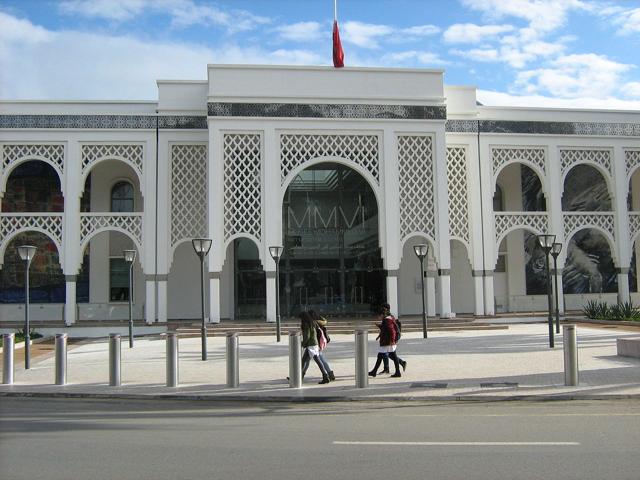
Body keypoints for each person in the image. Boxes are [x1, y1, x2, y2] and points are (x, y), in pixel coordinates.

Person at [369, 304, 407, 378]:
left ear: (383, 314)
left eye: (379, 316)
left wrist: (392, 341)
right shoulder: (388, 319)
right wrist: (379, 331)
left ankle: (375, 371)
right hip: (388, 341)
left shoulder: (387, 320)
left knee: (382, 355)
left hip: (388, 342)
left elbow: (391, 331)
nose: (378, 317)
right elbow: (385, 329)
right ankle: (397, 372)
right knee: (390, 356)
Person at [299, 310, 330, 384]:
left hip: (311, 345)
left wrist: (303, 344)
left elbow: (307, 336)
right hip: (314, 344)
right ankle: (298, 376)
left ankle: (325, 376)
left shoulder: (307, 324)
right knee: (304, 361)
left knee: (317, 361)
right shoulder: (312, 323)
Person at [308, 310, 335, 381]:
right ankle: (330, 374)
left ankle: (298, 375)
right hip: (319, 344)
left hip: (314, 344)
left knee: (307, 360)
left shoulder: (314, 323)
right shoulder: (321, 322)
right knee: (320, 359)